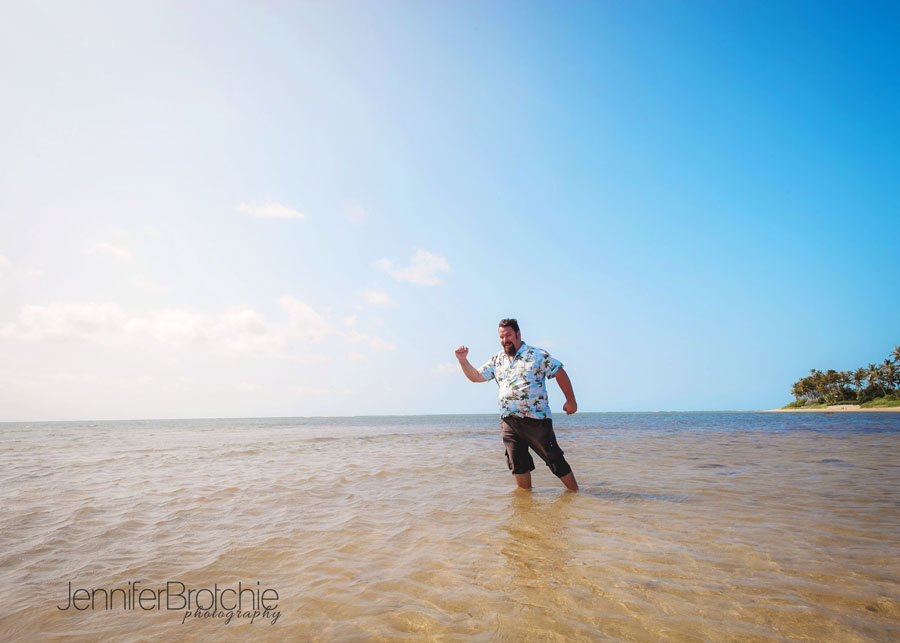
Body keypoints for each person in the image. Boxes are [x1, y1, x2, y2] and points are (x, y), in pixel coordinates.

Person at [455, 318, 579, 492]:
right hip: (509, 421)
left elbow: (559, 371)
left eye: (508, 335)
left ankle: (576, 494)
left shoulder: (537, 355)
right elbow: (476, 377)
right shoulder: (497, 359)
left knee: (554, 459)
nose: (505, 340)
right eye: (501, 337)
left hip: (536, 419)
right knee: (517, 464)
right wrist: (462, 360)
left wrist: (571, 400)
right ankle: (525, 505)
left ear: (518, 334)